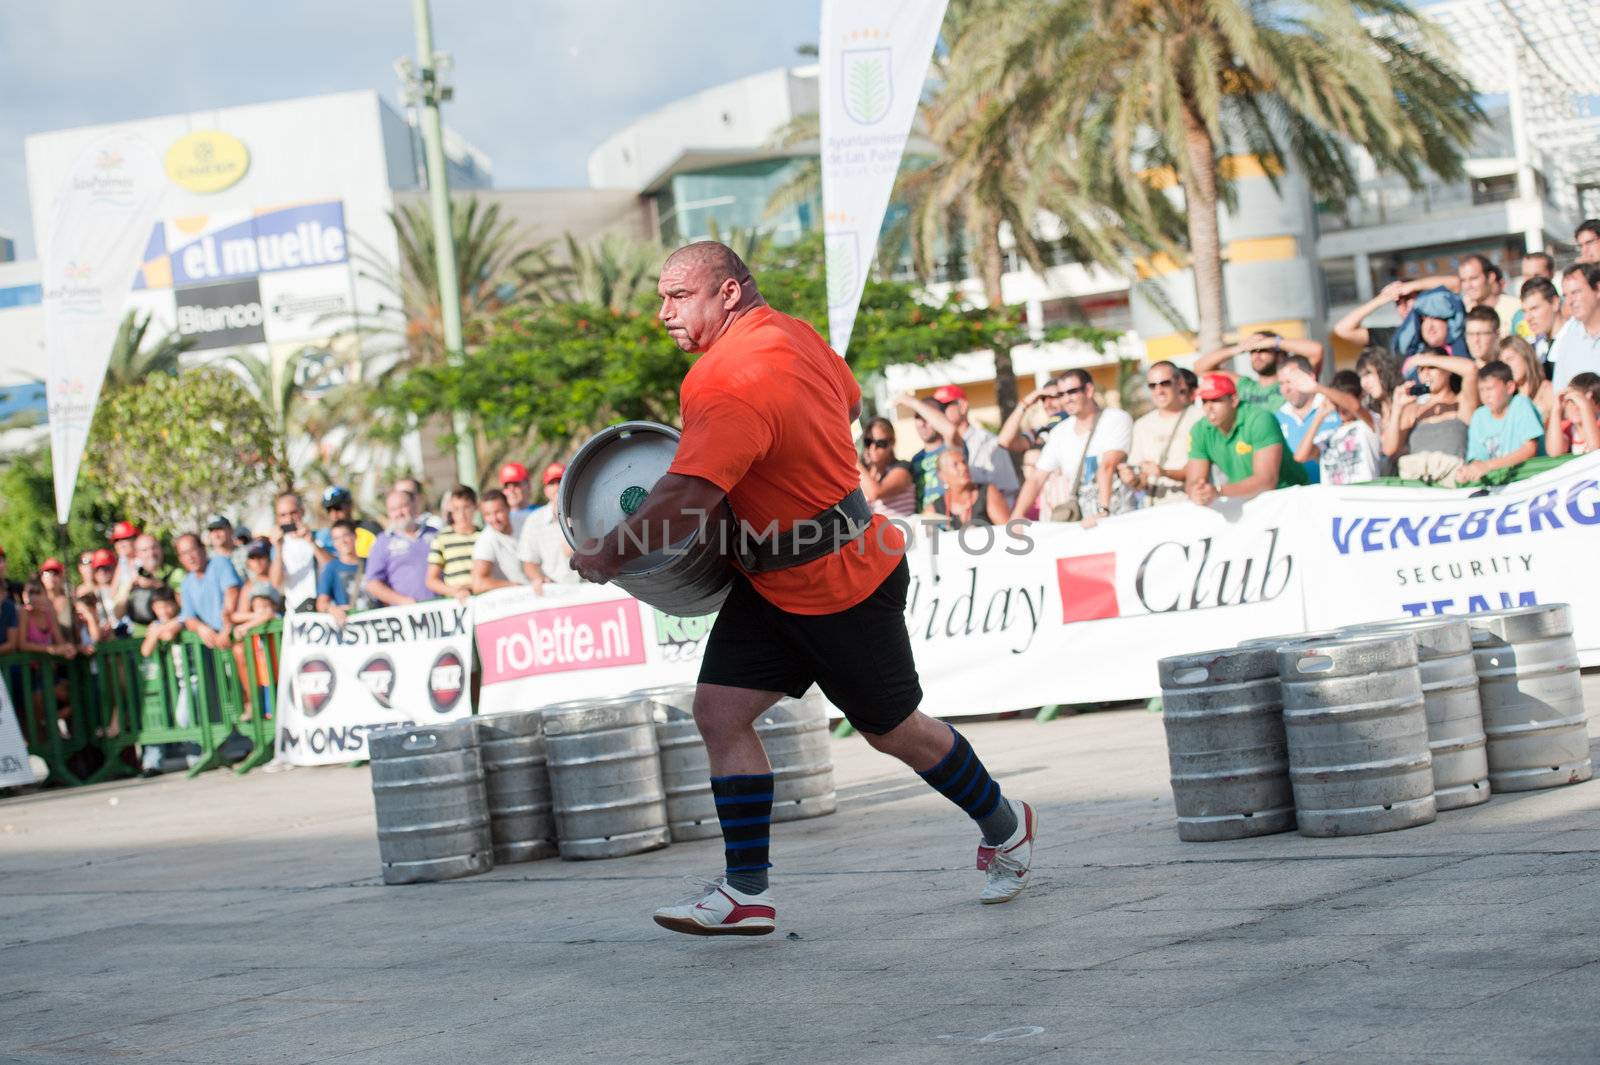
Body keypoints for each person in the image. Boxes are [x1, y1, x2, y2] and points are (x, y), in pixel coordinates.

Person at [573, 241, 1036, 934]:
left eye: (679, 296)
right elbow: (845, 404)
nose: (664, 312)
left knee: (895, 734)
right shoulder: (795, 333)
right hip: (770, 579)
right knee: (719, 713)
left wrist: (610, 550)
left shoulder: (723, 379)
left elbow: (687, 493)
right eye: (662, 297)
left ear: (728, 293)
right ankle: (745, 891)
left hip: (842, 581)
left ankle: (1006, 824)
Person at [1010, 368, 1133, 522]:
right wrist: (1017, 515)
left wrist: (1103, 510)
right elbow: (1036, 478)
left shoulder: (1115, 418)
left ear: (1088, 390)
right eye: (1061, 394)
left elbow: (1107, 466)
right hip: (1083, 520)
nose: (1066, 399)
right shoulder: (1059, 432)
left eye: (1072, 392)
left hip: (1118, 516)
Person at [1185, 373, 1308, 505]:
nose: (1209, 407)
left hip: (1290, 500)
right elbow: (1193, 481)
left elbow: (1266, 481)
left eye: (1215, 399)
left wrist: (1218, 491)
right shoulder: (1200, 430)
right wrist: (1197, 492)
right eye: (1204, 401)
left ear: (1234, 400)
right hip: (1246, 502)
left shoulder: (1260, 419)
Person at [1383, 349, 1477, 484]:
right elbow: (1389, 449)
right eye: (1421, 369)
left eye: (1432, 368)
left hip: (1452, 482)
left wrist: (1422, 359)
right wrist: (1397, 408)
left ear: (1448, 369)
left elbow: (1471, 370)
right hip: (1418, 485)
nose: (1426, 373)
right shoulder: (1414, 410)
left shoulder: (1461, 403)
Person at [1121, 360, 1201, 506]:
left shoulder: (1200, 418)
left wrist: (1164, 472)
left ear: (1180, 383)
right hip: (1157, 509)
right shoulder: (1142, 425)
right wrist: (1132, 479)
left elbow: (1201, 469)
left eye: (1165, 383)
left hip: (1193, 504)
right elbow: (1142, 482)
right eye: (1152, 386)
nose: (1159, 391)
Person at [927, 384, 1019, 505]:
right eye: (935, 409)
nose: (939, 413)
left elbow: (1005, 488)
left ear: (963, 406)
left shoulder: (987, 441)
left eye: (943, 407)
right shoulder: (940, 446)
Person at [1288, 370, 1383, 485]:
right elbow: (1300, 457)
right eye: (1336, 403)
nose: (1341, 408)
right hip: (1333, 501)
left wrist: (1318, 388)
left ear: (1360, 396)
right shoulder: (1329, 435)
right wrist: (1319, 417)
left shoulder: (1370, 422)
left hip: (1362, 498)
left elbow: (1355, 406)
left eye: (1342, 401)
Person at [1458, 360, 1544, 484]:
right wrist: (1470, 471)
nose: (1486, 395)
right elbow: (1477, 458)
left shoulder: (1521, 404)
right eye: (1481, 390)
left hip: (1530, 480)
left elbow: (1530, 449)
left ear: (1510, 387)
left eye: (1490, 388)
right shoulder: (1479, 416)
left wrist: (1489, 466)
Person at [1194, 331, 1325, 408]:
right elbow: (1200, 368)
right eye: (1252, 351)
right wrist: (1240, 348)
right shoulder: (1244, 385)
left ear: (1280, 355)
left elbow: (1317, 351)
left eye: (1263, 350)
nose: (1256, 355)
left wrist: (1274, 342)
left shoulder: (1295, 382)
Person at [365, 488, 437, 606]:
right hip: (406, 615)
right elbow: (373, 583)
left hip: (442, 609)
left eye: (403, 506)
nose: (399, 513)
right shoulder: (383, 542)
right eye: (393, 509)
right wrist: (402, 601)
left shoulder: (434, 533)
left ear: (414, 506)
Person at [1272, 355, 1337, 484]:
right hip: (1296, 498)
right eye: (1281, 383)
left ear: (1311, 378)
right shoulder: (1275, 419)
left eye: (1290, 381)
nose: (1285, 389)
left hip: (1336, 495)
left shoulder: (1336, 408)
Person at [896, 392, 964, 514]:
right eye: (917, 417)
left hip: (950, 521)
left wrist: (912, 402)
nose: (922, 423)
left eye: (926, 416)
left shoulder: (952, 448)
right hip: (925, 524)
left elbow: (950, 430)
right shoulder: (916, 459)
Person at [517, 465, 580, 593]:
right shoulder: (534, 520)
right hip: (555, 592)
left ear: (570, 484)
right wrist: (539, 578)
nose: (557, 487)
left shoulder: (587, 511)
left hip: (592, 591)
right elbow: (529, 563)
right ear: (545, 490)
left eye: (561, 481)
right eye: (552, 483)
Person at [174, 533, 240, 650]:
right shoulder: (186, 583)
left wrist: (226, 629)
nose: (190, 557)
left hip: (237, 634)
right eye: (184, 553)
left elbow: (232, 593)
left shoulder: (220, 563)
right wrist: (201, 628)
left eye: (192, 550)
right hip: (215, 644)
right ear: (180, 559)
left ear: (203, 549)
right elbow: (188, 617)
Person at [267, 492, 329, 613]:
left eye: (293, 512)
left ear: (302, 511)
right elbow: (275, 583)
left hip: (324, 609)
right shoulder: (277, 546)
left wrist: (312, 542)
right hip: (296, 613)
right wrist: (279, 548)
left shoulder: (321, 536)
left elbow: (333, 567)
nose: (289, 519)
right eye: (283, 515)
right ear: (277, 518)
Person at [1550, 264, 1600, 391]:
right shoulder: (1567, 341)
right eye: (1566, 295)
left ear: (1598, 290)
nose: (1569, 301)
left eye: (1576, 292)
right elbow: (1560, 393)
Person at [425, 485, 480, 602]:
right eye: (456, 508)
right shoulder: (441, 538)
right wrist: (455, 591)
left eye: (466, 507)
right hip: (456, 604)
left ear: (475, 507)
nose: (462, 514)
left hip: (483, 599)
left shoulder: (484, 536)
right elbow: (431, 580)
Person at [116, 534, 178, 636]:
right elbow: (117, 614)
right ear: (137, 554)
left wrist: (155, 584)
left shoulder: (175, 573)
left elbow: (184, 605)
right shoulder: (131, 578)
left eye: (154, 547)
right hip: (139, 639)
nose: (151, 553)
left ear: (161, 549)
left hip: (170, 635)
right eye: (145, 550)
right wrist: (130, 585)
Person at [1334, 280, 1419, 353]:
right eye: (1398, 303)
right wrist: (1383, 298)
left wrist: (1416, 286)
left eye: (1407, 299)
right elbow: (1342, 329)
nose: (1403, 307)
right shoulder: (1393, 335)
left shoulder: (1430, 327)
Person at [856, 417, 916, 519]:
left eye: (880, 443)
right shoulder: (865, 472)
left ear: (892, 443)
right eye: (868, 442)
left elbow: (875, 493)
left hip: (900, 530)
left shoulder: (902, 468)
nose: (873, 448)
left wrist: (853, 459)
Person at [471, 489, 528, 593]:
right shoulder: (485, 540)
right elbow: (478, 583)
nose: (494, 519)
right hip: (518, 599)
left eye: (498, 512)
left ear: (508, 508)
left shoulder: (526, 520)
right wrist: (514, 586)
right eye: (487, 514)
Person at [934, 449, 1007, 529]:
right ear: (943, 476)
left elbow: (1006, 531)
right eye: (955, 465)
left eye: (964, 462)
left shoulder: (987, 493)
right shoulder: (935, 508)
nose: (963, 467)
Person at [996, 377, 1069, 454]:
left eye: (1053, 397)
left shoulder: (1077, 422)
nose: (1048, 403)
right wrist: (1024, 404)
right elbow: (1004, 441)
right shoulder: (1041, 432)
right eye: (1043, 398)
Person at [315, 520, 368, 624]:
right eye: (336, 538)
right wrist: (333, 609)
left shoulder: (370, 564)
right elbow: (321, 603)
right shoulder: (331, 568)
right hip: (352, 626)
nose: (342, 541)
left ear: (355, 536)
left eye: (346, 535)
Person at [1496, 335, 1554, 421]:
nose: (1507, 366)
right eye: (1502, 363)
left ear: (1526, 356)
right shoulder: (1508, 399)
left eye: (1510, 359)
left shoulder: (1547, 390)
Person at [1457, 253, 1519, 333]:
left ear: (1490, 277)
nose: (1468, 285)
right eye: (1463, 280)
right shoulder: (1462, 314)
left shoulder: (1515, 307)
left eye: (1474, 278)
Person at [1519, 276, 1566, 379]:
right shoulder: (1537, 348)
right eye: (1525, 311)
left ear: (1555, 303)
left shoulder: (1578, 339)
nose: (1528, 318)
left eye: (1534, 309)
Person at [314, 486, 379, 557]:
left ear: (350, 505)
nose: (334, 514)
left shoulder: (370, 529)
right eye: (329, 510)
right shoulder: (324, 538)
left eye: (337, 508)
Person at [497, 462, 536, 536]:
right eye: (506, 486)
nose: (511, 490)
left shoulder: (543, 514)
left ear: (528, 485)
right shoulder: (497, 520)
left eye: (516, 484)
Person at [109, 520, 141, 589]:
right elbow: (113, 590)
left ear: (135, 539)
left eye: (125, 539)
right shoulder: (123, 560)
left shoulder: (142, 560)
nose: (120, 544)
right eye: (116, 540)